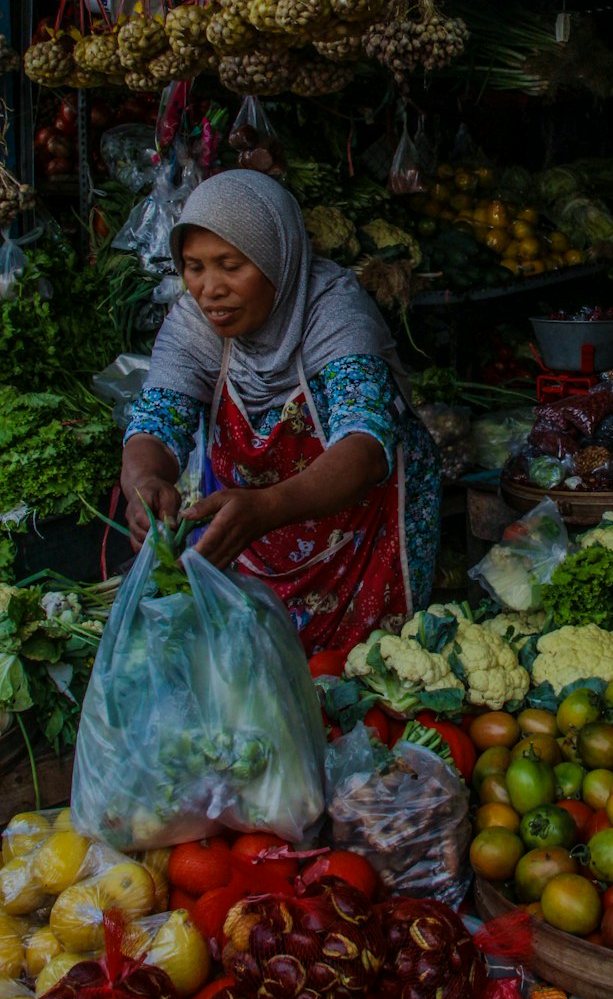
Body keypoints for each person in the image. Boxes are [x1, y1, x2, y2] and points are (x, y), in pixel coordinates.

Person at [121, 168, 440, 659]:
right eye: (194, 266)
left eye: (230, 264)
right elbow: (158, 422)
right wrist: (144, 482)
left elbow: (365, 446)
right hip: (254, 537)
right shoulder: (195, 325)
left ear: (278, 257)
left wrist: (265, 507)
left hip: (360, 536)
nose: (210, 289)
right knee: (263, 677)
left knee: (363, 684)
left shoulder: (333, 311)